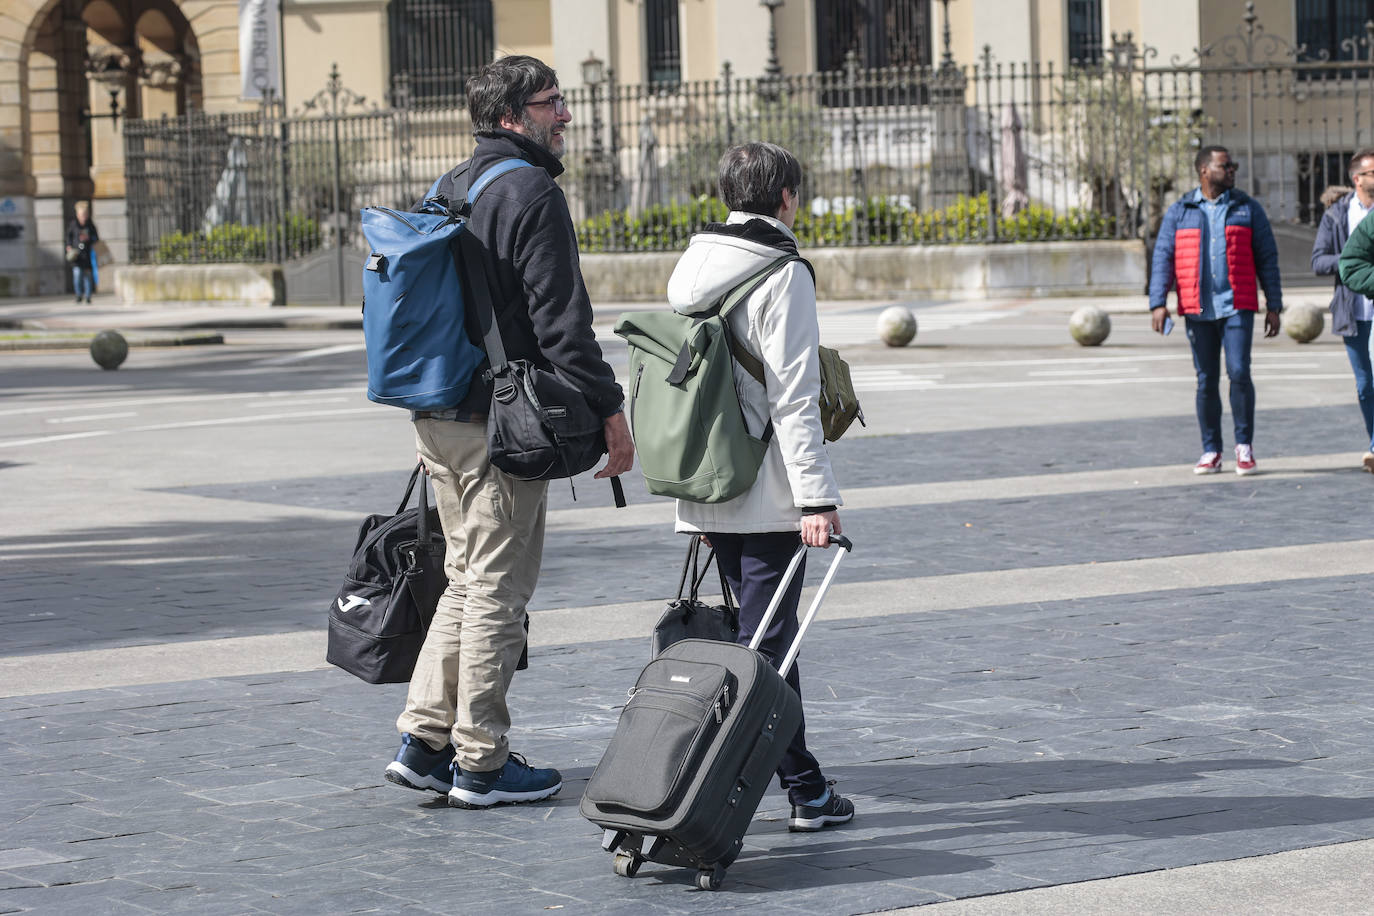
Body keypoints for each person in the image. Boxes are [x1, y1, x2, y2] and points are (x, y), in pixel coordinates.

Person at [382, 55, 634, 809]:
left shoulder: (449, 187)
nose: (564, 116)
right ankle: (481, 761)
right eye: (552, 103)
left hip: (437, 417)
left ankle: (424, 741)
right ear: (510, 115)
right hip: (500, 423)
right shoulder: (529, 190)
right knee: (498, 587)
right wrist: (610, 412)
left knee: (466, 576)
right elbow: (565, 324)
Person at [664, 141, 855, 833]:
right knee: (768, 645)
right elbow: (795, 396)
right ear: (786, 199)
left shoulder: (696, 265)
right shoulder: (783, 272)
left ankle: (806, 787)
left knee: (765, 639)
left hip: (709, 479)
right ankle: (735, 785)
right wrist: (816, 498)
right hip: (770, 486)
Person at [1149, 145, 1283, 475]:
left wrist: (1274, 304)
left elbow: (1267, 258)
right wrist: (1158, 303)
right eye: (1225, 166)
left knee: (1239, 372)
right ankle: (1211, 450)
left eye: (1232, 165)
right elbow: (1163, 257)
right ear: (1204, 171)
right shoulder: (1181, 210)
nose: (1232, 170)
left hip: (1237, 305)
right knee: (1206, 380)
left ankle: (1243, 446)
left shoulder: (1246, 208)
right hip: (1197, 308)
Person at [1312, 149, 1374, 473]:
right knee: (1366, 385)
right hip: (1353, 312)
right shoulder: (1337, 215)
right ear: (1358, 179)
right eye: (1373, 172)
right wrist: (1354, 258)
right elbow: (1318, 260)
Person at [65, 201, 99, 303]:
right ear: (77, 215)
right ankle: (79, 295)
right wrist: (69, 246)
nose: (83, 217)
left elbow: (96, 238)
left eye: (85, 214)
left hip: (87, 254)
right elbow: (68, 237)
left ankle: (88, 296)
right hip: (77, 255)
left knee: (88, 276)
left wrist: (89, 238)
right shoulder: (73, 225)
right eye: (81, 215)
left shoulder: (90, 225)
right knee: (77, 275)